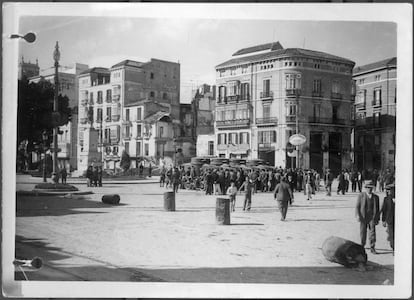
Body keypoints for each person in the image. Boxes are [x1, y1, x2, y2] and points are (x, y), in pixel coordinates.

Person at [355, 181, 380, 254]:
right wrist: (357, 215)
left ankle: (372, 247)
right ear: (365, 188)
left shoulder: (376, 197)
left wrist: (377, 218)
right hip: (363, 216)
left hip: (372, 217)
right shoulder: (361, 195)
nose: (369, 189)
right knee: (363, 232)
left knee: (372, 232)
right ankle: (362, 245)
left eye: (371, 188)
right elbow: (357, 206)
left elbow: (377, 209)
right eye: (368, 188)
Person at [381, 183, 395, 253]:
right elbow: (384, 210)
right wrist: (383, 220)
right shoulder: (386, 199)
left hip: (399, 221)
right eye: (387, 190)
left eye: (390, 190)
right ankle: (394, 248)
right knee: (391, 235)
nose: (388, 192)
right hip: (389, 220)